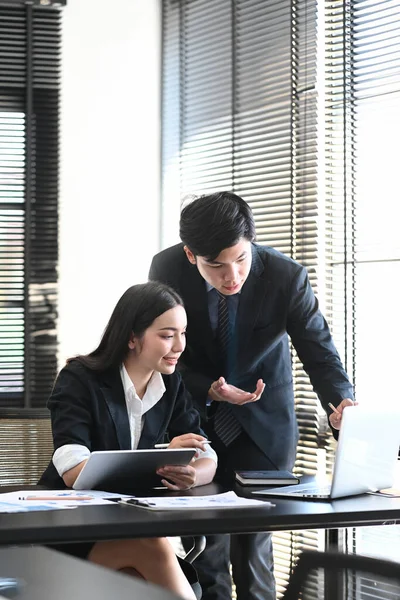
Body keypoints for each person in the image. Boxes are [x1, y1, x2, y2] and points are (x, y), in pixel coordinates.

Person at [149, 191, 354, 600]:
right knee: (206, 547)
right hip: (196, 424)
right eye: (216, 265)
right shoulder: (167, 267)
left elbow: (319, 350)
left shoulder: (286, 276)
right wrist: (207, 388)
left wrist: (342, 405)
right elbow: (162, 348)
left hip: (264, 428)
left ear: (252, 243)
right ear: (192, 255)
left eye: (241, 259)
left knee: (255, 549)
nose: (232, 276)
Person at [39, 282, 217, 600]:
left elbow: (205, 454)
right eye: (167, 335)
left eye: (183, 333)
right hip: (69, 533)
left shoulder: (171, 383)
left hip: (127, 533)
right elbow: (73, 471)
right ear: (132, 337)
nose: (179, 346)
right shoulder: (80, 379)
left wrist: (193, 474)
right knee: (154, 549)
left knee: (135, 582)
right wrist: (158, 457)